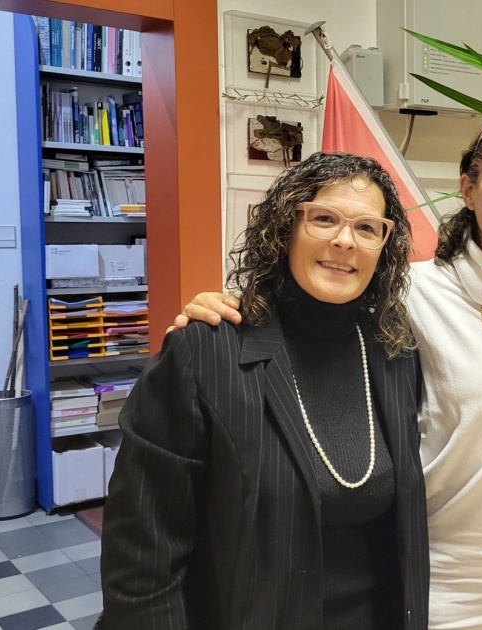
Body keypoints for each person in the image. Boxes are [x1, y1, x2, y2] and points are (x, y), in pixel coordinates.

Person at [176, 112, 482, 629]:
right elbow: (316, 308)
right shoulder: (409, 293)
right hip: (447, 596)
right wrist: (226, 311)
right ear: (468, 189)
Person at [99, 152, 429, 629]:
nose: (344, 241)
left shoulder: (394, 353)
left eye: (366, 228)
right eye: (323, 218)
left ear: (384, 246)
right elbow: (142, 555)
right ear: (284, 227)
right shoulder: (205, 351)